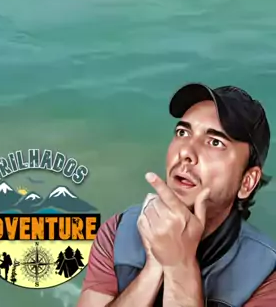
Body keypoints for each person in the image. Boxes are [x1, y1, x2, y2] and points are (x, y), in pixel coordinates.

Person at [77, 82, 276, 306]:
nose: (186, 152)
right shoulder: (118, 232)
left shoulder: (267, 274)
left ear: (247, 182)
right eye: (183, 132)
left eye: (215, 142)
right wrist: (154, 267)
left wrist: (179, 264)